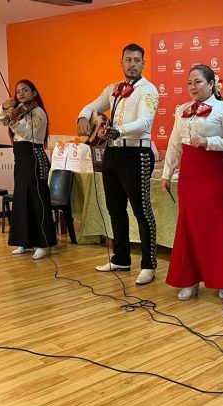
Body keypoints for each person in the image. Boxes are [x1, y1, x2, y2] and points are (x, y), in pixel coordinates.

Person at [161, 64, 223, 300]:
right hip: (189, 175)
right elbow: (174, 144)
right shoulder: (181, 110)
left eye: (198, 81)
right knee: (189, 226)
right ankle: (189, 280)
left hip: (215, 174)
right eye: (190, 82)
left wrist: (209, 142)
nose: (193, 86)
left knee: (217, 225)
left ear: (211, 84)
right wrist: (167, 173)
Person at [76, 43, 159, 285]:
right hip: (112, 155)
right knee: (115, 208)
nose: (132, 64)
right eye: (128, 59)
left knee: (142, 212)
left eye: (137, 60)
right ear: (121, 62)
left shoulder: (149, 90)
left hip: (137, 155)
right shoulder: (113, 89)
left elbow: (144, 122)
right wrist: (82, 116)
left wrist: (116, 130)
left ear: (143, 64)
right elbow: (91, 106)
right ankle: (121, 257)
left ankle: (149, 264)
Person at [0, 79, 57, 260]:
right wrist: (5, 107)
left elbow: (28, 135)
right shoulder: (18, 111)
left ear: (34, 93)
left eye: (25, 90)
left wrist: (13, 120)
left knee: (38, 199)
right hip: (21, 159)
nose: (20, 93)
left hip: (35, 158)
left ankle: (44, 243)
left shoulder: (38, 112)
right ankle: (24, 241)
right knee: (22, 199)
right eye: (18, 91)